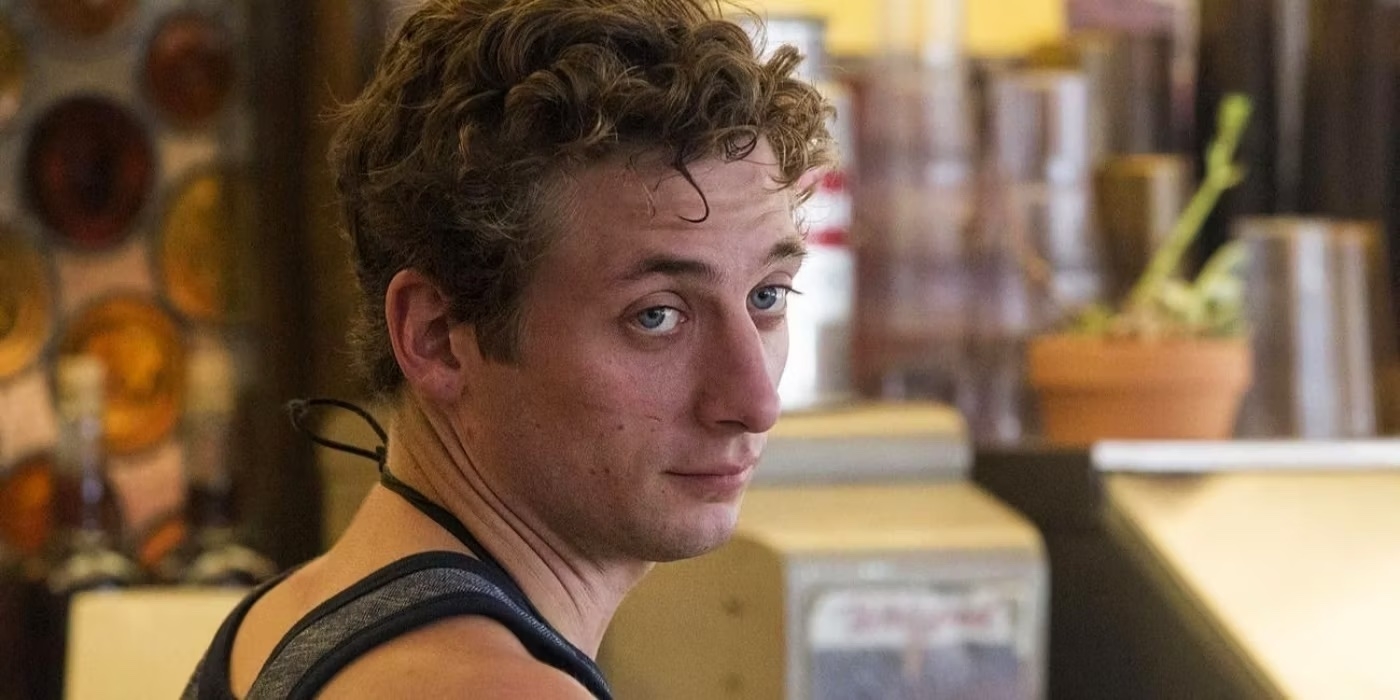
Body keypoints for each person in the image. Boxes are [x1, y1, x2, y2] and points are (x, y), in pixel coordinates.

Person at [183, 0, 833, 697]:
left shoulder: (289, 615)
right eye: (657, 316)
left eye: (767, 296)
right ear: (436, 339)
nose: (754, 403)